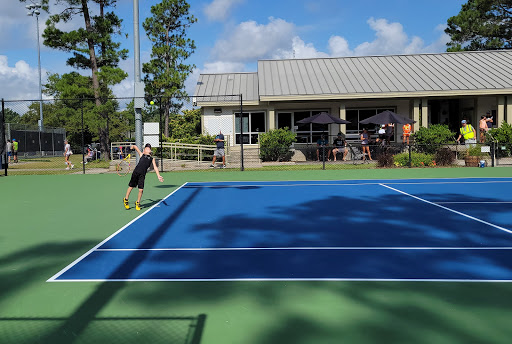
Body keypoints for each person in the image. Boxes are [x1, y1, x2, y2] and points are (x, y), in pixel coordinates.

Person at [123, 143, 164, 211]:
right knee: (131, 187)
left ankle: (138, 202)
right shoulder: (141, 154)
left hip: (142, 175)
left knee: (141, 190)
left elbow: (155, 167)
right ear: (144, 150)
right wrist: (131, 147)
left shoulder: (152, 159)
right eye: (147, 148)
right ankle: (126, 199)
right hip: (136, 173)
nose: (148, 149)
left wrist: (158, 175)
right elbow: (135, 146)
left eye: (149, 148)